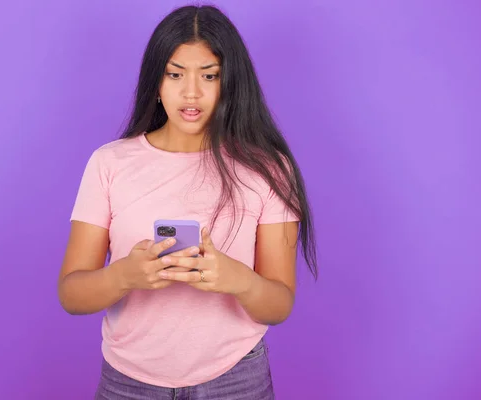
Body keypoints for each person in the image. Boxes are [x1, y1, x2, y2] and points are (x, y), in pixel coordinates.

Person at [57, 4, 318, 399]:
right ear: (156, 83)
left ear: (230, 83)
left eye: (209, 76)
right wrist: (124, 275)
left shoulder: (268, 168)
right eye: (175, 74)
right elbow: (71, 294)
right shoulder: (109, 163)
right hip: (129, 382)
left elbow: (279, 305)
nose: (190, 92)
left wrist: (237, 280)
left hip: (235, 381)